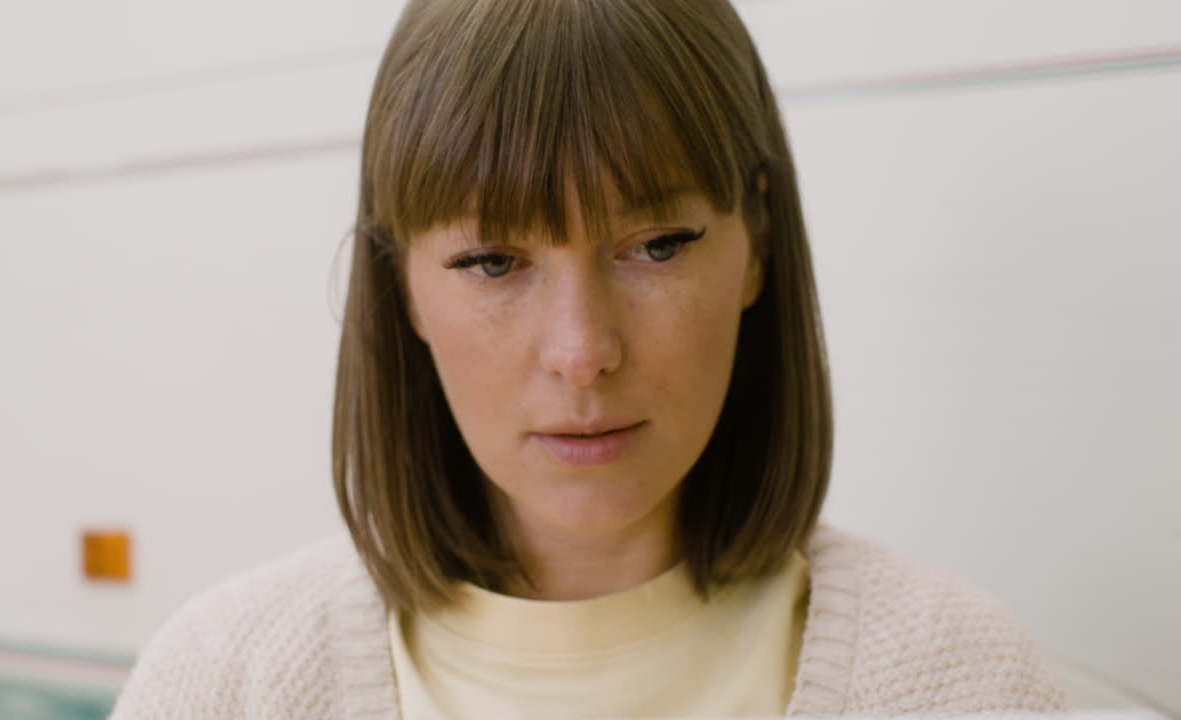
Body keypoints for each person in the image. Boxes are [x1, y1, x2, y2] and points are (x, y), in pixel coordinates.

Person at [111, 0, 1068, 717]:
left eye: (657, 246)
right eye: (493, 263)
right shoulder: (222, 683)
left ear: (759, 240)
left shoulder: (963, 680)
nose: (582, 353)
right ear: (400, 285)